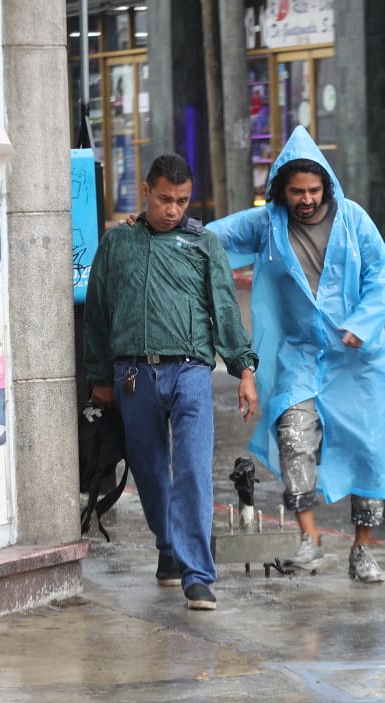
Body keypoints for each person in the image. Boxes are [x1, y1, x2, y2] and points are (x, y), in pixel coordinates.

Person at [208, 127, 385, 583]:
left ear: (326, 186)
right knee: (293, 438)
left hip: (357, 359)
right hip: (299, 355)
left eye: (314, 190)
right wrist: (158, 226)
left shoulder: (353, 220)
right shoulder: (267, 224)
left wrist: (362, 324)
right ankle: (309, 540)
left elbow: (381, 272)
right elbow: (212, 237)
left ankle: (362, 549)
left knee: (369, 450)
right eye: (297, 192)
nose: (307, 199)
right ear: (281, 190)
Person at [84, 153, 259, 611]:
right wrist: (100, 378)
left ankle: (198, 575)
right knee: (150, 472)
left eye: (182, 201)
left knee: (194, 472)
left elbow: (225, 311)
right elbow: (98, 316)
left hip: (191, 372)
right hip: (133, 376)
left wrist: (244, 370)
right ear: (146, 191)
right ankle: (168, 550)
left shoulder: (204, 245)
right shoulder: (117, 243)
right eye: (165, 199)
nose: (173, 210)